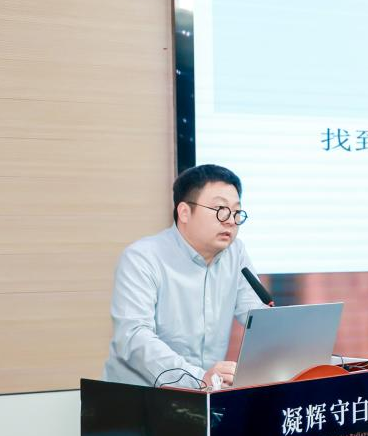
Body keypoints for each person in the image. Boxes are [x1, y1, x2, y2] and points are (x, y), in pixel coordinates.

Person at [103, 164, 268, 389]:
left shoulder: (235, 253)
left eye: (236, 212)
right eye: (220, 209)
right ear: (184, 213)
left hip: (205, 394)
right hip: (139, 397)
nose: (230, 220)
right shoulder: (142, 258)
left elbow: (256, 316)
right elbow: (134, 337)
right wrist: (199, 378)